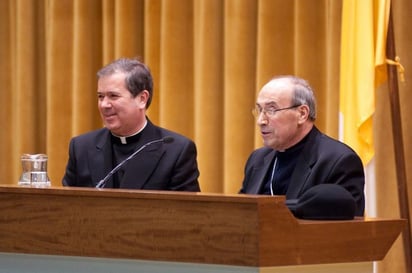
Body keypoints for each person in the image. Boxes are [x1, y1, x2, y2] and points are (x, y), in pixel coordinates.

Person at [62, 57, 200, 191]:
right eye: (100, 96)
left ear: (142, 99)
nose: (104, 104)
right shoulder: (81, 147)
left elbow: (186, 212)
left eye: (113, 96)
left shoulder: (176, 151)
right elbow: (65, 206)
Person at [239, 75, 365, 216]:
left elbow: (348, 229)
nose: (261, 121)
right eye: (259, 110)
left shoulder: (339, 161)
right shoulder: (257, 159)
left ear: (302, 114)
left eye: (271, 110)